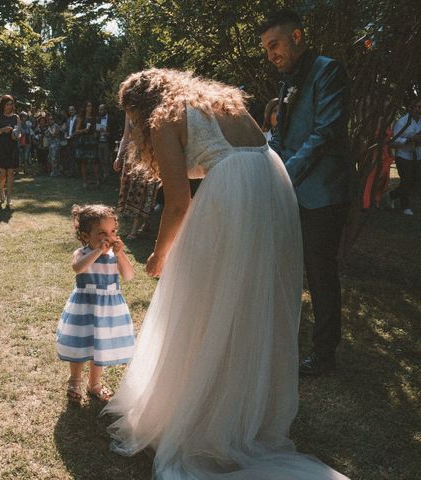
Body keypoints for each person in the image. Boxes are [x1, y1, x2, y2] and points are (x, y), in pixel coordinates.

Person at [102, 68, 350, 479]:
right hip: (273, 180)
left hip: (236, 192)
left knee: (205, 296)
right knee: (249, 299)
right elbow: (236, 153)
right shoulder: (217, 102)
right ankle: (243, 408)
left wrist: (160, 255)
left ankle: (209, 414)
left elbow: (179, 203)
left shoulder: (164, 118)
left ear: (140, 107)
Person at [260, 9, 355, 376]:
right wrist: (267, 166)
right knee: (286, 267)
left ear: (296, 36)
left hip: (324, 192)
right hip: (291, 190)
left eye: (275, 45)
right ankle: (288, 341)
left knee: (320, 272)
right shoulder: (287, 81)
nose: (271, 55)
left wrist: (285, 173)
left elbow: (324, 134)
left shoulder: (329, 70)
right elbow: (282, 135)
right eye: (267, 50)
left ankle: (324, 353)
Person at [56, 204, 135, 403]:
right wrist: (98, 251)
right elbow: (78, 268)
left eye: (112, 231)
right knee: (81, 342)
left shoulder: (113, 257)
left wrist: (120, 254)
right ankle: (75, 380)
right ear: (85, 236)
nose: (108, 237)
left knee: (99, 345)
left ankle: (94, 384)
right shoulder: (82, 253)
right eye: (101, 233)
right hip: (85, 306)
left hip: (107, 309)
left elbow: (128, 276)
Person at [114, 114, 161, 239]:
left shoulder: (152, 109)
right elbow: (126, 136)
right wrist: (119, 156)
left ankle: (135, 229)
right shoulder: (129, 113)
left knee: (145, 190)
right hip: (132, 156)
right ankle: (145, 223)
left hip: (148, 156)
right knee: (132, 191)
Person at [389, 96, 421, 215]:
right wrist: (410, 140)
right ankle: (405, 206)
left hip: (417, 155)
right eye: (417, 107)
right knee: (406, 180)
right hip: (403, 156)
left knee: (414, 181)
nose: (419, 109)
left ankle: (392, 195)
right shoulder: (401, 122)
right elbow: (393, 142)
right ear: (410, 108)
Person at [0, 95, 21, 208]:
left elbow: (19, 132)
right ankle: (1, 189)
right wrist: (3, 130)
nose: (9, 106)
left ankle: (9, 197)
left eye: (11, 104)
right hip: (1, 147)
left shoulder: (16, 117)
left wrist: (16, 135)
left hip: (12, 147)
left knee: (11, 172)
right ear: (3, 105)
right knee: (3, 173)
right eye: (7, 104)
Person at [75, 101, 100, 188]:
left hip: (92, 141)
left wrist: (96, 133)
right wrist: (84, 130)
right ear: (85, 107)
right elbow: (76, 131)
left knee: (95, 161)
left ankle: (97, 181)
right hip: (84, 141)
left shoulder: (94, 118)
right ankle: (85, 182)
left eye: (91, 106)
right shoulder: (81, 118)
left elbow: (96, 129)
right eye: (88, 106)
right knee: (83, 162)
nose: (90, 107)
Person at [97, 104, 116, 181]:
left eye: (101, 109)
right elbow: (96, 129)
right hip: (99, 141)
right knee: (101, 158)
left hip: (107, 142)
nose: (100, 111)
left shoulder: (111, 119)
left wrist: (108, 134)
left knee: (106, 159)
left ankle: (106, 175)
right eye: (99, 110)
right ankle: (103, 174)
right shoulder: (98, 119)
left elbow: (115, 131)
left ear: (105, 110)